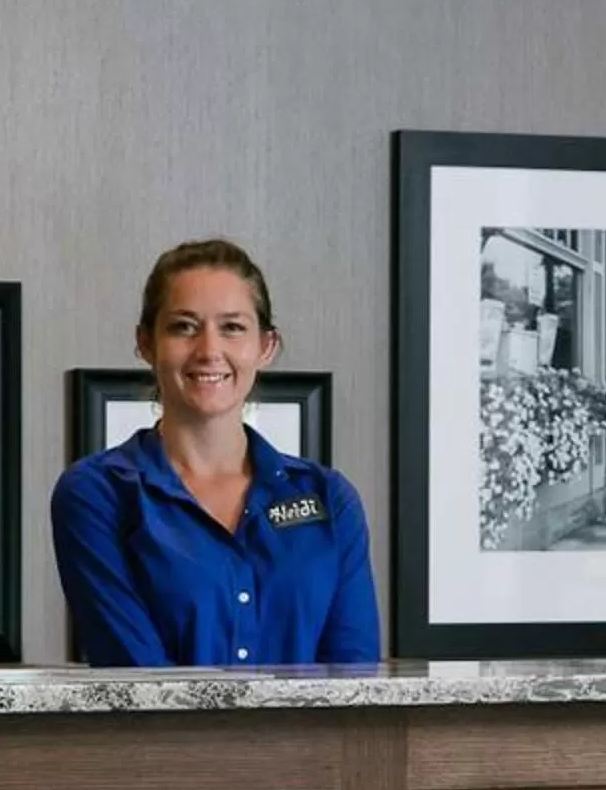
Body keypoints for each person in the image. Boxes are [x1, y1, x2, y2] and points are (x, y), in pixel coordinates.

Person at [51, 238, 381, 667]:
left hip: (311, 739)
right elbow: (138, 680)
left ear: (266, 346)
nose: (209, 350)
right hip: (160, 738)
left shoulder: (330, 500)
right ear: (146, 343)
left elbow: (355, 683)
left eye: (232, 327)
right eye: (184, 326)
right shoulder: (98, 495)